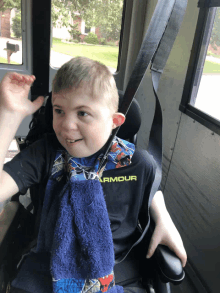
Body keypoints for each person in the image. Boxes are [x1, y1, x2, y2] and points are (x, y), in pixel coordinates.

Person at [0, 57, 187, 293]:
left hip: (116, 275)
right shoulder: (45, 154)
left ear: (114, 122)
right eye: (59, 110)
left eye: (83, 113)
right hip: (46, 271)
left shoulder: (136, 163)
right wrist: (9, 115)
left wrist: (163, 218)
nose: (67, 125)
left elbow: (150, 187)